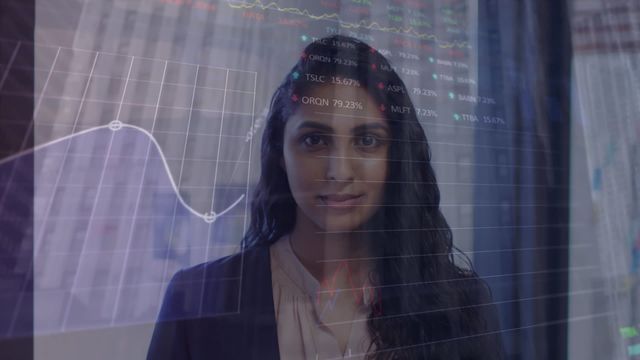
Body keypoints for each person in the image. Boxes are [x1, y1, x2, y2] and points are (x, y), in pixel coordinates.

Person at [147, 35, 503, 360]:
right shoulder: (196, 300)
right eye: (315, 140)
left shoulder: (461, 304)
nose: (339, 171)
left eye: (366, 141)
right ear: (279, 154)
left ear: (396, 159)